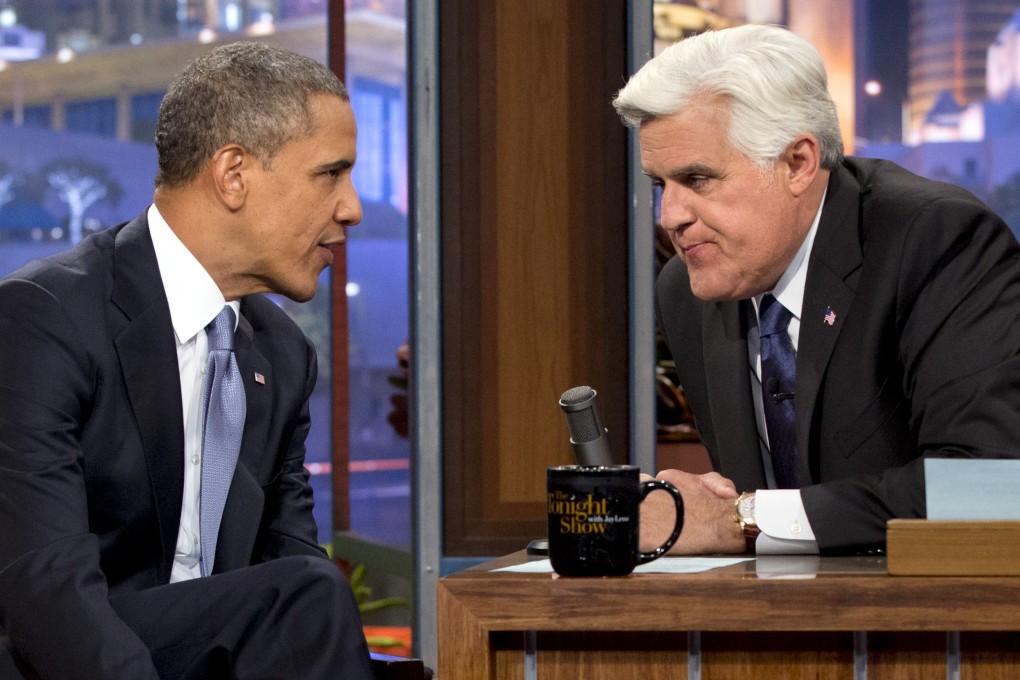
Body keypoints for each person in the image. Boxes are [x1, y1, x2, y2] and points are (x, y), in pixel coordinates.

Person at [0, 41, 374, 678]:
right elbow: (45, 590)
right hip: (62, 655)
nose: (353, 208)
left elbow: (286, 574)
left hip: (197, 656)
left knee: (310, 589)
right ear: (233, 175)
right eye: (330, 174)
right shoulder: (43, 317)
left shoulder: (282, 356)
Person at [614, 24, 1020, 556]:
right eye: (660, 184)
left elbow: (991, 486)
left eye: (698, 179)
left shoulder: (934, 241)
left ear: (798, 163)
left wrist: (740, 519)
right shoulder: (688, 290)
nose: (671, 217)